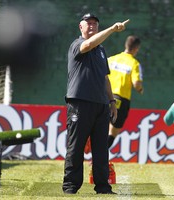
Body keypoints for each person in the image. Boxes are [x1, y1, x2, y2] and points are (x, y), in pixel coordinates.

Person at [62, 13, 129, 194]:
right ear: (80, 27)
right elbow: (88, 44)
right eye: (88, 23)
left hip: (101, 104)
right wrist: (113, 29)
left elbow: (105, 78)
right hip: (80, 102)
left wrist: (112, 101)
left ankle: (103, 186)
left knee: (101, 149)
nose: (92, 26)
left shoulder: (101, 50)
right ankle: (70, 186)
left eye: (95, 23)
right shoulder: (77, 44)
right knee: (76, 147)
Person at [107, 35, 144, 148]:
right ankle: (99, 157)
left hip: (105, 96)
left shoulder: (111, 59)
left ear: (126, 45)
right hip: (120, 99)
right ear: (136, 48)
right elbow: (136, 83)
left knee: (101, 125)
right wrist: (140, 90)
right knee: (113, 131)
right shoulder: (134, 63)